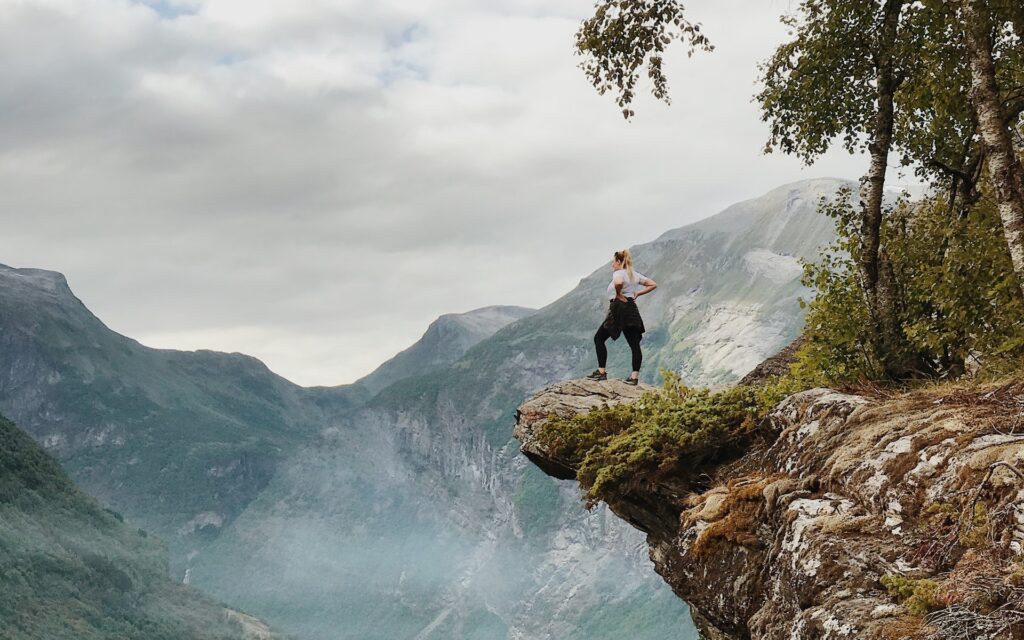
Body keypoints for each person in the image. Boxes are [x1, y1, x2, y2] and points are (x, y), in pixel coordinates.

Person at [586, 249, 657, 385]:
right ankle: (634, 377)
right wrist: (638, 294)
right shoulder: (634, 274)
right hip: (631, 308)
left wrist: (618, 293)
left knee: (599, 338)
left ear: (619, 262)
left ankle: (601, 373)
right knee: (634, 345)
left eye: (613, 262)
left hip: (619, 308)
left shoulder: (618, 273)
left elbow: (618, 282)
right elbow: (653, 284)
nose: (612, 265)